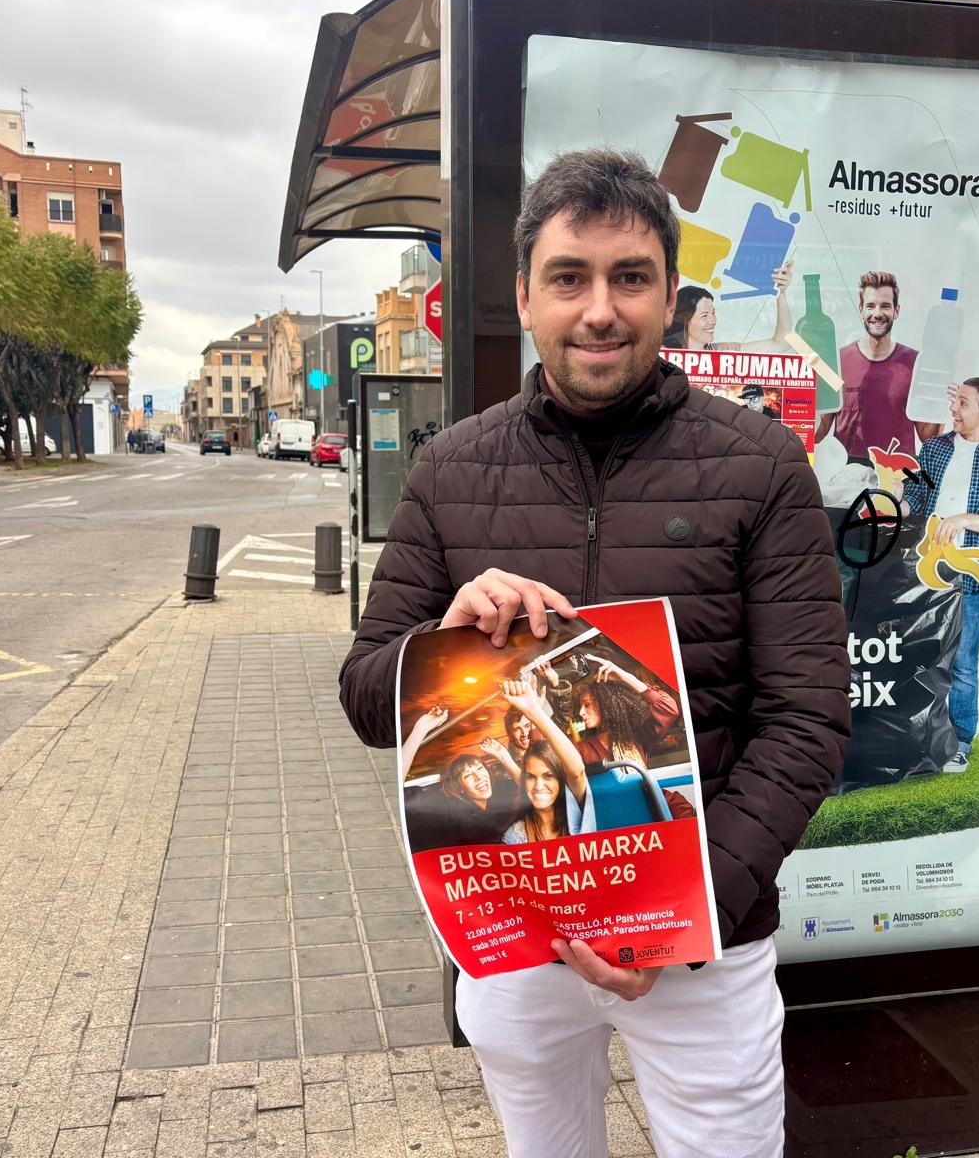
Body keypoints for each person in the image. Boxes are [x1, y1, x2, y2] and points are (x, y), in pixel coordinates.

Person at [340, 148, 849, 1158]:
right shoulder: (451, 469)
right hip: (516, 933)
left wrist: (681, 907)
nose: (599, 309)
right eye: (569, 278)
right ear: (525, 296)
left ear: (668, 296)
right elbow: (365, 696)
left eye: (630, 278)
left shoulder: (759, 466)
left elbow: (808, 718)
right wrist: (441, 633)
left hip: (703, 940)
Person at [902, 377, 979, 774]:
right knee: (917, 657)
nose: (954, 410)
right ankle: (915, 736)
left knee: (963, 663)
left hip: (975, 575)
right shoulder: (934, 448)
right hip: (926, 569)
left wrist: (964, 520)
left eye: (963, 403)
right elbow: (915, 498)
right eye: (954, 401)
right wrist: (886, 506)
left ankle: (961, 743)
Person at [820, 271, 943, 462]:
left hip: (898, 482)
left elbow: (928, 437)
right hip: (845, 482)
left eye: (885, 306)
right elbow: (819, 432)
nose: (877, 313)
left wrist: (940, 404)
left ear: (896, 311)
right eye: (870, 306)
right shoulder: (836, 361)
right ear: (861, 310)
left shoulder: (917, 363)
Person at [575, 656, 696, 821]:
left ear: (605, 704)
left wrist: (624, 676)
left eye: (587, 704)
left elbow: (668, 708)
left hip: (655, 804)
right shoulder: (580, 750)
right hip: (618, 816)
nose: (581, 712)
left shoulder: (636, 736)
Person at [400, 706, 525, 852]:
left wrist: (504, 758)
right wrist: (420, 729)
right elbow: (398, 795)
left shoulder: (501, 797)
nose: (478, 777)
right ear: (459, 787)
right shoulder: (448, 811)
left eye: (480, 769)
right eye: (467, 775)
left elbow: (532, 791)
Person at [496, 674, 598, 843]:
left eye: (548, 776)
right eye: (530, 777)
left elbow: (577, 771)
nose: (538, 785)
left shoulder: (576, 811)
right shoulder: (515, 836)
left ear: (560, 778)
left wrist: (533, 710)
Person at [661, 262, 794, 352]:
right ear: (684, 319)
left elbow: (781, 343)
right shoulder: (663, 355)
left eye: (713, 313)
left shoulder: (724, 352)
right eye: (704, 315)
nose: (712, 321)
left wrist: (781, 293)